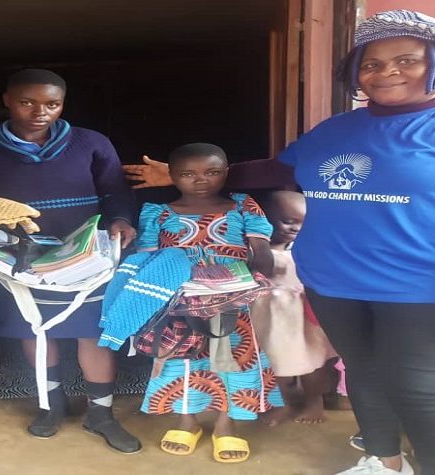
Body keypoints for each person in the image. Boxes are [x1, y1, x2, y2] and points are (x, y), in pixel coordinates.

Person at [123, 10, 435, 474]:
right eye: (371, 63)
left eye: (406, 59)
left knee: (415, 384)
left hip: (415, 284)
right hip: (333, 280)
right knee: (364, 371)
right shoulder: (336, 130)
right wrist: (183, 176)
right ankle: (385, 462)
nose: (387, 72)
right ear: (355, 73)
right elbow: (273, 170)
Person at [0, 69, 141, 454]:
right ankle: (50, 405)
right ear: (6, 100)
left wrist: (121, 220)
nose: (41, 112)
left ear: (63, 104)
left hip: (88, 255)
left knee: (93, 331)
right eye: (27, 102)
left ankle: (101, 412)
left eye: (52, 104)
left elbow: (115, 191)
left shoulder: (90, 144)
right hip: (21, 256)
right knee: (35, 330)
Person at [114, 143, 282, 464]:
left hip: (233, 301)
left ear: (226, 173)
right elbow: (147, 259)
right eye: (188, 174)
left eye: (212, 172)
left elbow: (261, 248)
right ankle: (187, 421)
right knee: (180, 360)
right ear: (172, 176)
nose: (201, 180)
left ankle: (224, 424)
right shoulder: (156, 213)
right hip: (179, 303)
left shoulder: (243, 205)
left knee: (231, 360)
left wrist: (257, 276)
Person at [249, 190, 337, 425]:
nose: (296, 228)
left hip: (303, 318)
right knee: (274, 363)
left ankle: (314, 401)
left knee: (311, 363)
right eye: (288, 221)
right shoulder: (258, 250)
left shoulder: (307, 247)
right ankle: (283, 403)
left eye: (302, 222)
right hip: (271, 318)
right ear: (264, 218)